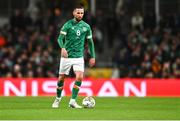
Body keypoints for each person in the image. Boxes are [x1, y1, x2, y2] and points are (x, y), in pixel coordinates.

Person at [52, 4, 96, 108]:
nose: (80, 15)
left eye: (82, 13)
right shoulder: (67, 25)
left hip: (78, 57)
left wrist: (93, 56)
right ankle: (57, 99)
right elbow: (59, 39)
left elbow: (90, 42)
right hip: (66, 57)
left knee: (80, 77)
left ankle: (72, 101)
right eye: (78, 12)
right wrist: (62, 48)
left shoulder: (86, 27)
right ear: (73, 13)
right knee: (61, 79)